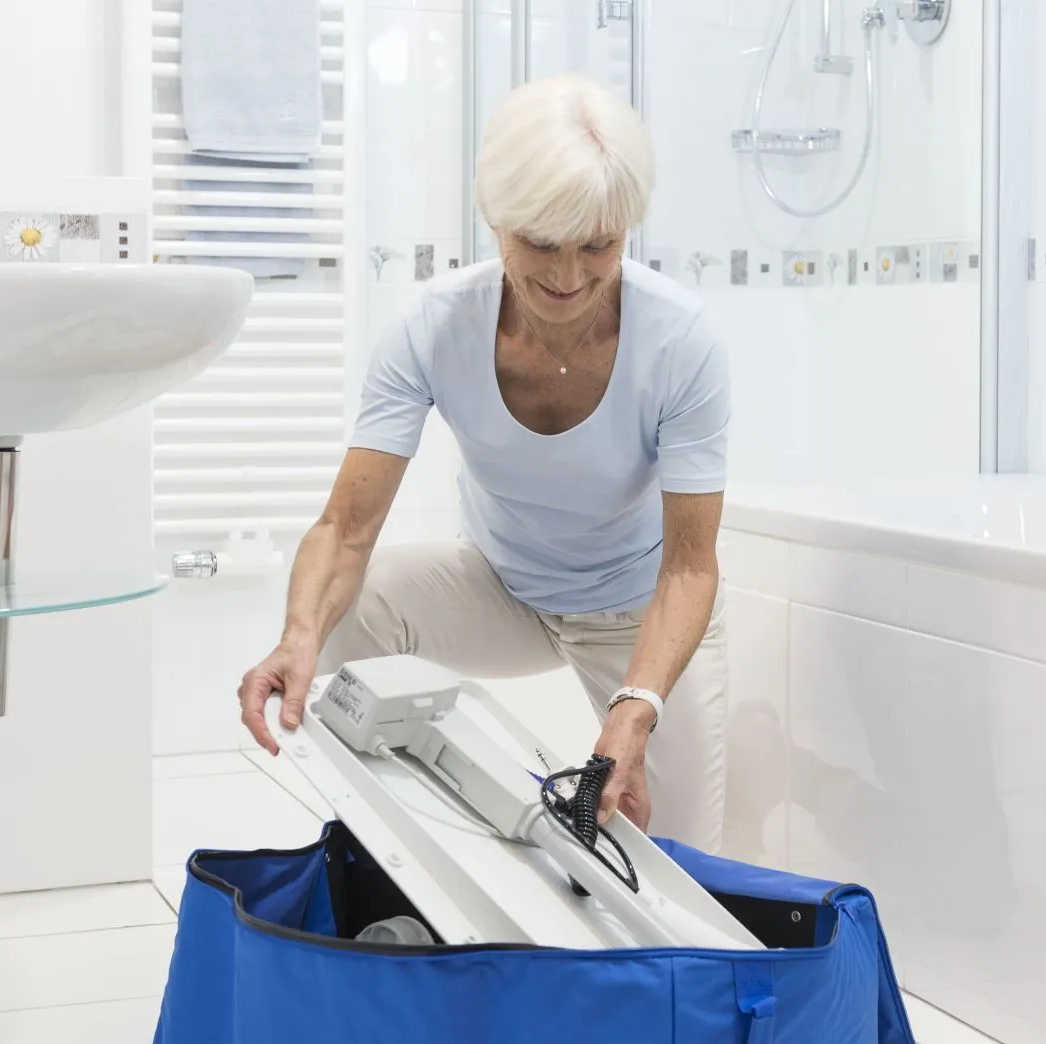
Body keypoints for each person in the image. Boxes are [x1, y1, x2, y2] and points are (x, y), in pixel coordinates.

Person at [237, 74, 732, 851]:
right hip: (503, 586)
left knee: (687, 861)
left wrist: (635, 706)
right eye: (539, 242)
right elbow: (347, 527)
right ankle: (395, 843)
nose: (568, 278)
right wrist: (298, 635)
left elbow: (691, 567)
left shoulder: (679, 340)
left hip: (637, 610)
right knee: (352, 607)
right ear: (494, 218)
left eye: (598, 245)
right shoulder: (435, 327)